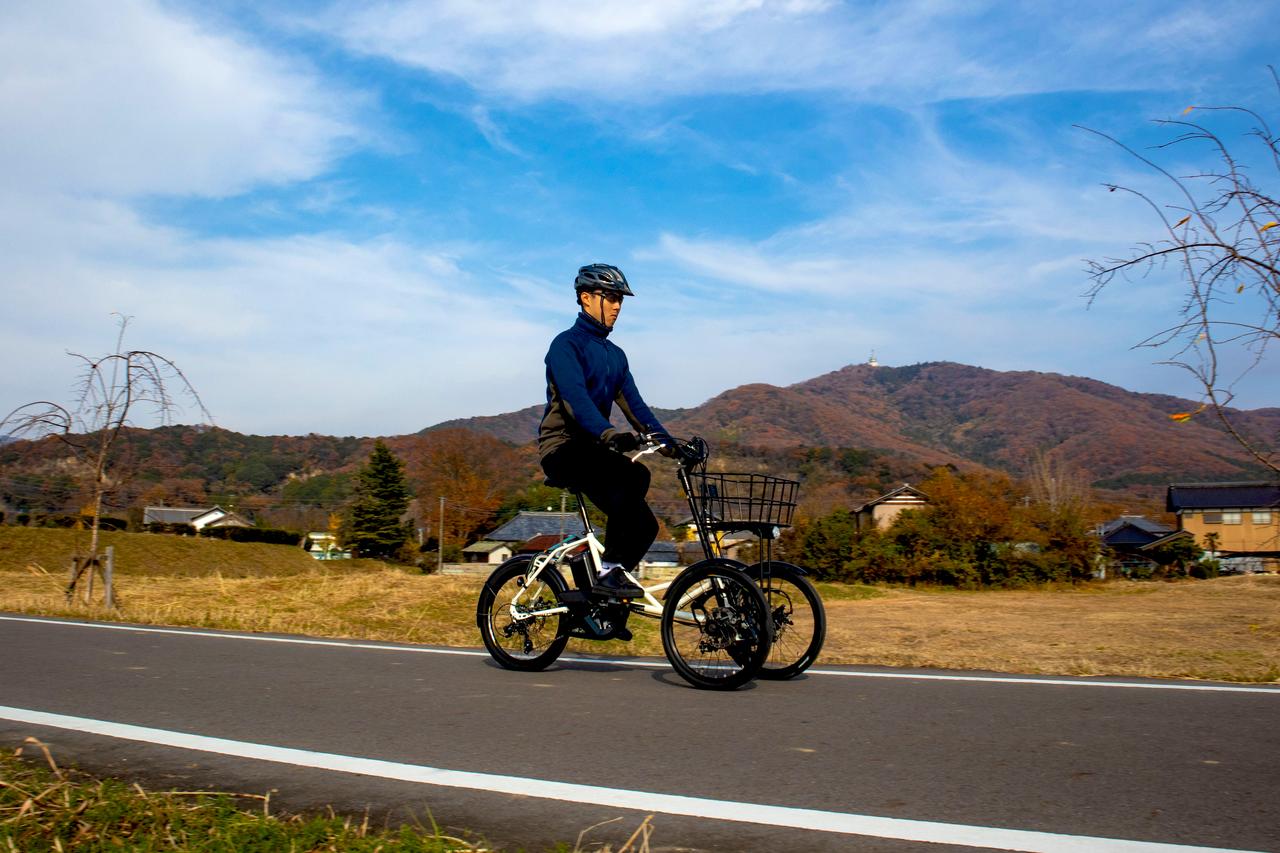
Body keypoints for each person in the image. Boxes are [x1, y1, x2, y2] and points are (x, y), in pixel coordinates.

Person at [538, 263, 671, 599]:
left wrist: (670, 444)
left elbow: (636, 407)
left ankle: (608, 589)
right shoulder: (566, 345)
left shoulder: (615, 356)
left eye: (620, 299)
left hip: (594, 450)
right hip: (563, 449)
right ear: (586, 298)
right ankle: (609, 572)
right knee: (629, 477)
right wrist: (610, 434)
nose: (617, 305)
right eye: (610, 297)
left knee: (646, 520)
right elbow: (576, 401)